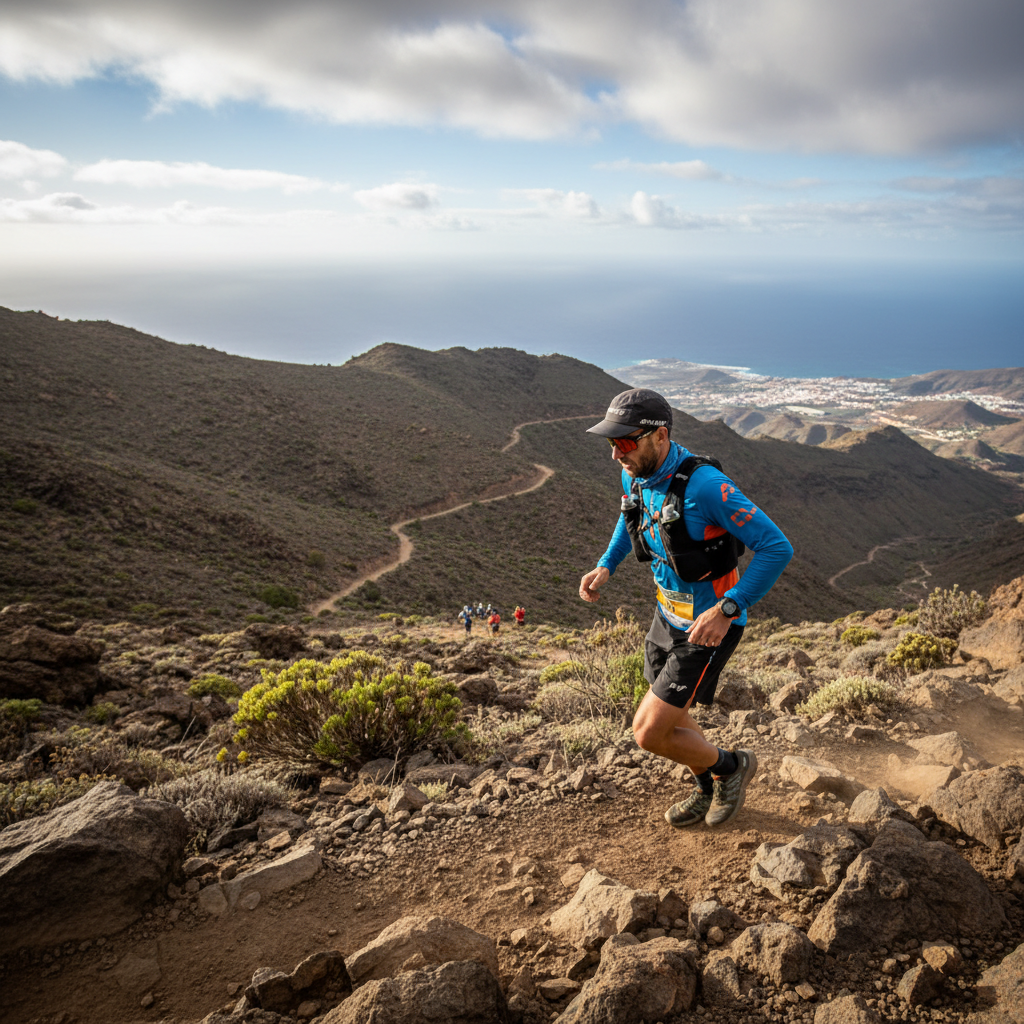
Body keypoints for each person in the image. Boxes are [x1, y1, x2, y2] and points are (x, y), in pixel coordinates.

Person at [579, 388, 792, 829]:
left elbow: (776, 547)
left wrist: (728, 609)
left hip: (707, 629)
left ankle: (733, 767)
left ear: (660, 436)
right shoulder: (634, 473)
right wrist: (606, 566)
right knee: (676, 716)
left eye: (625, 442)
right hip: (666, 617)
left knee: (649, 732)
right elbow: (630, 516)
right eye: (611, 443)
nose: (616, 454)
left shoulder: (706, 487)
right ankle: (707, 785)